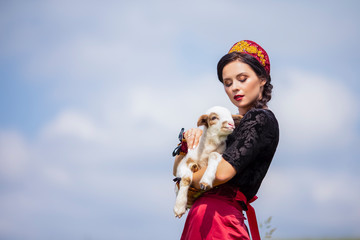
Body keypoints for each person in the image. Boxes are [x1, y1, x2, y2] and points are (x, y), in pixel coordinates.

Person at [172, 40, 279, 240]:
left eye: (242, 79)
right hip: (208, 216)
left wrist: (187, 177)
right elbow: (177, 169)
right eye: (228, 83)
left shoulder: (260, 118)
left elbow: (221, 173)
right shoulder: (225, 126)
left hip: (219, 218)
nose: (234, 88)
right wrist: (188, 145)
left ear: (262, 79)